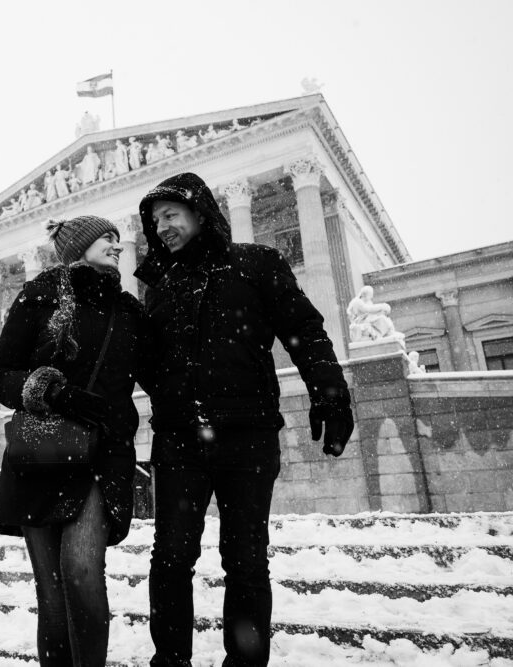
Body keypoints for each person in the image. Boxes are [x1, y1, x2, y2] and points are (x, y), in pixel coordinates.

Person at [134, 173, 353, 667]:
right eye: (154, 221)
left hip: (247, 434)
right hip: (179, 440)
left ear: (200, 211)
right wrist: (171, 397)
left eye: (170, 214)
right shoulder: (159, 284)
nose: (161, 226)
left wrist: (330, 393)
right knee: (169, 560)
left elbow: (303, 328)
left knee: (246, 562)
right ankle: (170, 661)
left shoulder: (256, 263)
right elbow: (148, 361)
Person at [0, 215, 150, 667]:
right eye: (107, 238)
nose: (117, 245)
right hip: (41, 456)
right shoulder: (39, 296)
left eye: (119, 239)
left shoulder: (129, 310)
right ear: (79, 245)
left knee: (80, 571)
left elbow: (161, 374)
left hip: (101, 454)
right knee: (52, 592)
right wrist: (52, 390)